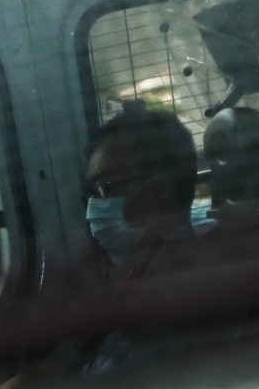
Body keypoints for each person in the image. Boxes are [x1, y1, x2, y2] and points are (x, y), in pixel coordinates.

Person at [83, 102, 209, 281]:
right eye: (92, 190)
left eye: (107, 186)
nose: (93, 207)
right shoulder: (133, 271)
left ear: (159, 190)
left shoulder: (187, 284)